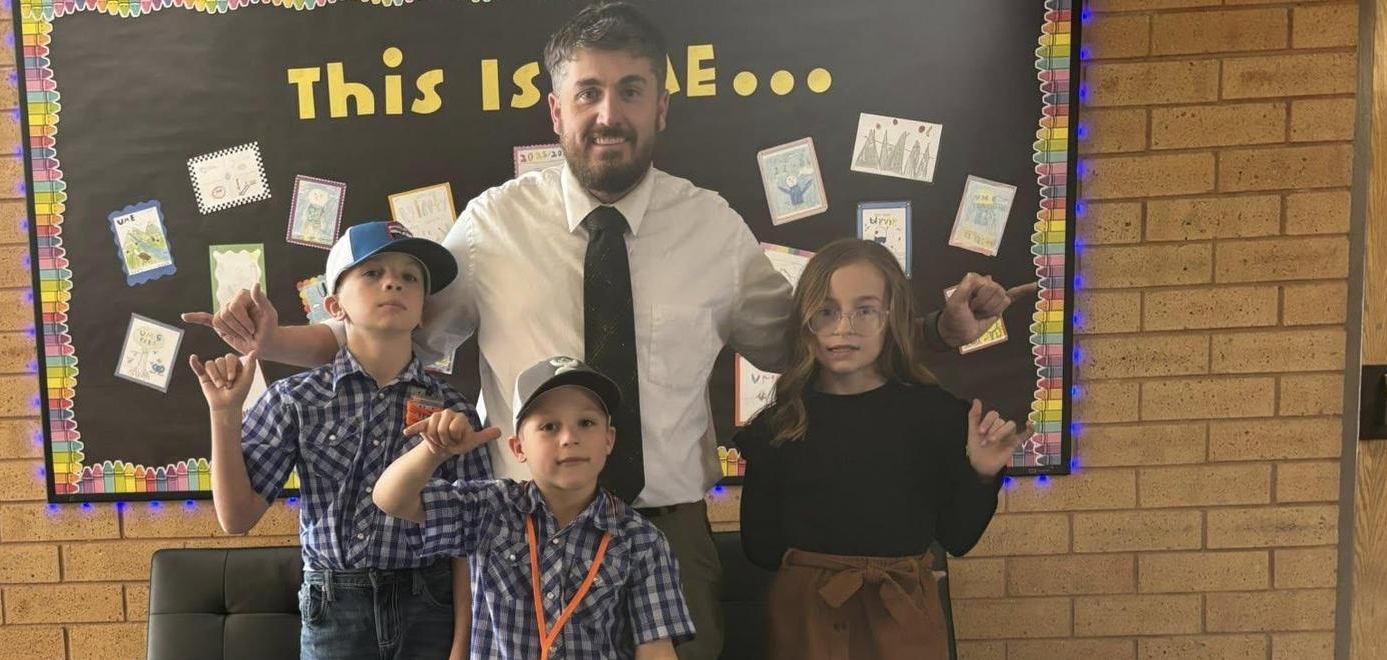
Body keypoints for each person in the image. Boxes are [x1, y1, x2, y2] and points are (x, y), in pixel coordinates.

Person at [185, 5, 1028, 657]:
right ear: (556, 111)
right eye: (587, 92)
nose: (608, 112)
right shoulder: (490, 227)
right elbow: (387, 327)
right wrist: (272, 343)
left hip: (667, 527)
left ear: (662, 106)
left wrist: (939, 328)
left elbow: (806, 341)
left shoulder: (713, 227)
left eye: (629, 90)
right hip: (517, 527)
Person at [192, 221, 492, 660]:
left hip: (431, 603)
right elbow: (236, 518)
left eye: (410, 277)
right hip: (334, 607)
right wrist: (224, 413)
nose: (393, 282)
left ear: (422, 310)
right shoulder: (296, 400)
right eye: (372, 273)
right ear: (335, 305)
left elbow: (470, 542)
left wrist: (465, 642)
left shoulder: (453, 412)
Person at [736, 239, 1022, 660]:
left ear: (895, 319)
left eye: (865, 310)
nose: (843, 326)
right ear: (805, 321)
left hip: (903, 620)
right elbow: (759, 547)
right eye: (826, 310)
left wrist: (981, 475)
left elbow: (958, 538)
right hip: (807, 626)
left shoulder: (939, 416)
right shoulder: (776, 427)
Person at [373, 357, 694, 659]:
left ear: (609, 440)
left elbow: (656, 649)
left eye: (586, 422)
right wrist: (434, 453)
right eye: (549, 427)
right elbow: (391, 499)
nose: (569, 437)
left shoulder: (640, 540)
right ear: (518, 447)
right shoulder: (490, 508)